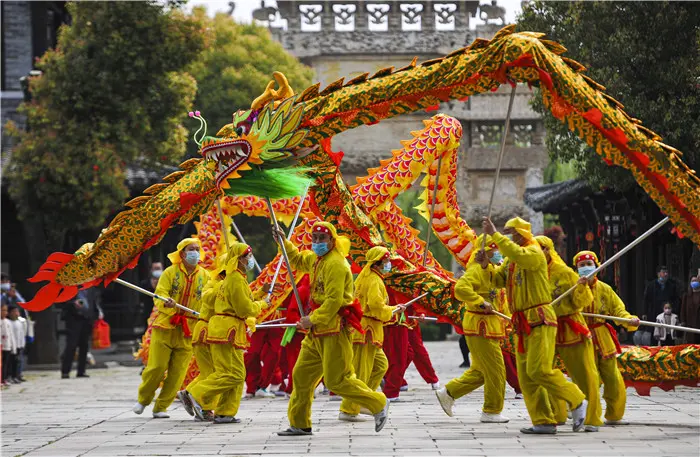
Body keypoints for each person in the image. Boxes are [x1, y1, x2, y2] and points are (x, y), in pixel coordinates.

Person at [273, 221, 390, 436]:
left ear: (332, 240)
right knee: (301, 376)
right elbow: (298, 260)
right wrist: (284, 243)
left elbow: (334, 301)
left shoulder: (337, 263)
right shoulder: (316, 260)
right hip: (316, 331)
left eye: (322, 238)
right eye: (314, 237)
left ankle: (377, 403)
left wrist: (311, 319)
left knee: (338, 379)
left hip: (334, 328)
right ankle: (300, 423)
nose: (317, 242)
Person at [482, 216, 587, 434]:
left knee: (538, 369)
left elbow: (519, 255)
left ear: (523, 233)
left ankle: (576, 400)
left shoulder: (533, 252)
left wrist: (495, 234)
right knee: (527, 377)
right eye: (510, 234)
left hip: (540, 318)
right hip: (521, 322)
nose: (513, 237)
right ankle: (543, 421)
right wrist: (485, 266)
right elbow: (498, 279)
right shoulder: (512, 260)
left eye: (514, 233)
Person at [187, 243, 266, 424]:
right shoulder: (234, 279)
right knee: (234, 374)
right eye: (247, 256)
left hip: (227, 329)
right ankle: (196, 393)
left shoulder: (235, 278)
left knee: (235, 375)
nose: (249, 260)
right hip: (226, 329)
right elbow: (244, 308)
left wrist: (261, 294)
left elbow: (244, 299)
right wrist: (263, 305)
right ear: (238, 259)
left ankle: (225, 412)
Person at [435, 234, 509, 423]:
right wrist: (479, 301)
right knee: (496, 370)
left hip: (489, 325)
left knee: (481, 371)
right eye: (495, 250)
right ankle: (491, 410)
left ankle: (449, 393)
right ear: (487, 251)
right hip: (480, 325)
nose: (498, 254)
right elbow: (460, 288)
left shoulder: (491, 269)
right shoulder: (476, 270)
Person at [133, 238, 208, 418]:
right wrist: (166, 302)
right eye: (191, 249)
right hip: (166, 325)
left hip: (188, 329)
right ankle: (144, 399)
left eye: (197, 249)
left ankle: (161, 407)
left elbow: (208, 297)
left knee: (177, 374)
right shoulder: (170, 272)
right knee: (156, 368)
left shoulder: (205, 276)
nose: (195, 253)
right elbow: (159, 294)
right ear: (182, 253)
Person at [536, 236, 602, 432]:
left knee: (585, 374)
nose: (538, 252)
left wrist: (581, 286)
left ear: (549, 250)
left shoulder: (565, 273)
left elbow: (582, 300)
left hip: (570, 327)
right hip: (546, 327)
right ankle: (557, 414)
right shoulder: (531, 272)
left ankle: (592, 418)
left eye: (542, 248)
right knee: (544, 372)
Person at [339, 246, 403, 421]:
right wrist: (394, 310)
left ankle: (364, 402)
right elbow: (376, 306)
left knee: (380, 366)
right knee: (361, 371)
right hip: (366, 331)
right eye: (387, 260)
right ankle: (349, 409)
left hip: (372, 330)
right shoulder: (373, 280)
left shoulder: (368, 277)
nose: (388, 264)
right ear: (378, 262)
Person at [576, 250, 640, 425]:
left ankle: (614, 415)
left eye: (589, 264)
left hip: (603, 337)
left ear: (597, 266)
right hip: (581, 337)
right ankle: (585, 413)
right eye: (581, 266)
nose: (585, 268)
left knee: (612, 377)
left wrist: (629, 320)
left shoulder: (605, 289)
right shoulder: (572, 288)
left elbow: (618, 310)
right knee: (589, 379)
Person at [178, 253, 228, 422]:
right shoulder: (217, 285)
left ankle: (188, 392)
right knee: (214, 373)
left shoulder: (222, 283)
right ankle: (205, 407)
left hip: (207, 331)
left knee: (211, 371)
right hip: (207, 332)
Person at [61, 290, 100, 379]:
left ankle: (81, 371)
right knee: (71, 345)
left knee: (84, 346)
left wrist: (95, 315)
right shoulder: (71, 286)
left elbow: (93, 302)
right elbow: (62, 301)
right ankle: (65, 371)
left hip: (87, 319)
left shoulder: (91, 289)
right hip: (73, 319)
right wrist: (73, 303)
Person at [140, 261, 163, 329]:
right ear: (151, 270)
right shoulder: (144, 283)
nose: (157, 270)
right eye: (155, 268)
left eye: (158, 268)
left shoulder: (167, 283)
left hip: (161, 314)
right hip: (149, 314)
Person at [8, 305, 27, 383]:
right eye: (14, 312)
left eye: (17, 311)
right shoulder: (8, 322)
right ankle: (10, 376)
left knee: (17, 361)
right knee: (10, 362)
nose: (16, 313)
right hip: (11, 345)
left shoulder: (20, 322)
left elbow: (22, 334)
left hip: (19, 345)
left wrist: (22, 344)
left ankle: (16, 375)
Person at [680, 276, 700, 344]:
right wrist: (683, 321)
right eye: (693, 281)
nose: (694, 282)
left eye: (696, 280)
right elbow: (683, 310)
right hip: (690, 325)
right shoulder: (686, 296)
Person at [1, 303, 15, 386]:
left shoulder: (8, 322)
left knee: (6, 364)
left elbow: (11, 335)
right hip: (1, 346)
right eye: (3, 310)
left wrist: (13, 346)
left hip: (7, 346)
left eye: (6, 311)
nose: (5, 313)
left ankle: (4, 378)